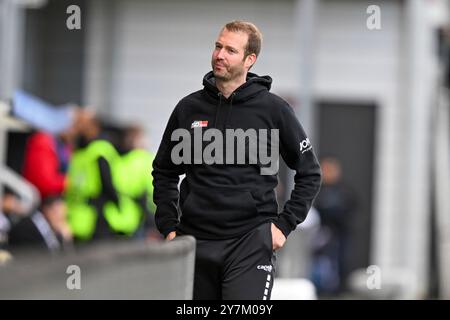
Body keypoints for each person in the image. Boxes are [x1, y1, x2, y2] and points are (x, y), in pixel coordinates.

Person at [152, 21, 322, 300]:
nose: (220, 55)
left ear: (249, 60)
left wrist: (284, 226)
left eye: (230, 50)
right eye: (218, 46)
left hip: (250, 243)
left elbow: (310, 173)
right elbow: (164, 172)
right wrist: (169, 226)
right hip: (194, 242)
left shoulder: (274, 110)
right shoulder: (188, 109)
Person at [310, 157, 357, 296]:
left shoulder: (344, 191)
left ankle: (338, 291)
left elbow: (351, 209)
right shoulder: (315, 190)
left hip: (340, 235)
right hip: (320, 236)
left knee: (340, 263)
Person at [8, 196, 73, 252]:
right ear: (48, 210)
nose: (61, 222)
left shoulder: (41, 224)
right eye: (59, 216)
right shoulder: (29, 227)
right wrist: (63, 240)